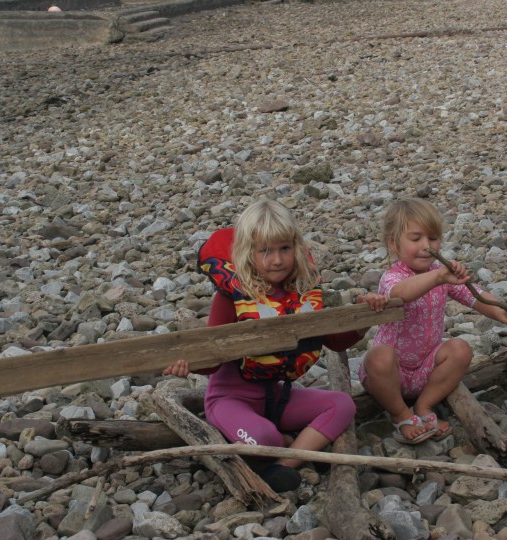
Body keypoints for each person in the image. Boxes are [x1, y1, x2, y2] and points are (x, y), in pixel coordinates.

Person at [164, 199, 385, 492]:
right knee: (265, 438)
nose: (277, 260)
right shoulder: (231, 297)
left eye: (284, 249)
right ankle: (292, 445)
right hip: (230, 399)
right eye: (265, 251)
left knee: (342, 404)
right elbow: (213, 359)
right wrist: (187, 364)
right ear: (247, 252)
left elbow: (333, 341)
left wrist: (364, 318)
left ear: (296, 247)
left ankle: (284, 466)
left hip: (276, 398)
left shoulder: (302, 292)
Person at [359, 198, 507, 444]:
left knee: (460, 349)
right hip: (389, 374)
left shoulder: (441, 272)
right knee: (379, 356)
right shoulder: (393, 276)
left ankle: (424, 405)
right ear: (394, 244)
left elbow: (474, 296)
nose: (427, 246)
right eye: (416, 239)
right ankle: (400, 414)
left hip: (424, 370)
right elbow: (400, 294)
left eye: (433, 238)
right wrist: (438, 277)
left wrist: (502, 310)